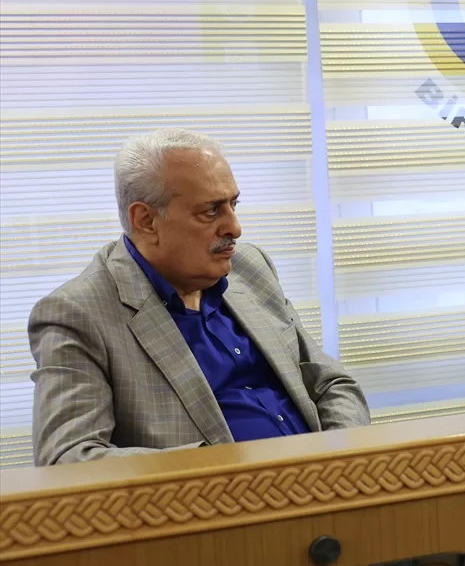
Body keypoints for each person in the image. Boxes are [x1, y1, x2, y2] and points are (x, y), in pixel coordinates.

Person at [29, 129, 370, 465]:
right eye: (211, 211)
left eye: (233, 205)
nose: (235, 228)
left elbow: (331, 383)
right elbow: (68, 457)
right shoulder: (78, 313)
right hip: (218, 496)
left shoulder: (250, 267)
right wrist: (224, 471)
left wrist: (340, 462)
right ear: (146, 221)